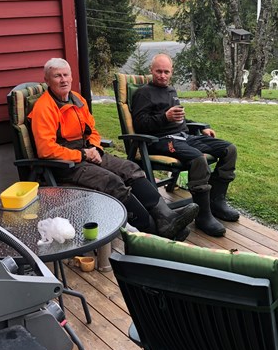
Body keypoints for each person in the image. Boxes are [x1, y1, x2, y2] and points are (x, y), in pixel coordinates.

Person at [28, 58, 198, 240]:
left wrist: (94, 147)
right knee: (112, 181)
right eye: (57, 76)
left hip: (88, 151)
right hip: (65, 164)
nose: (63, 80)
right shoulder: (44, 108)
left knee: (131, 169)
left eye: (66, 75)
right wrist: (83, 154)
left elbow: (91, 130)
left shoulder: (77, 100)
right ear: (47, 80)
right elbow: (46, 150)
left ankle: (167, 217)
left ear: (71, 77)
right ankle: (152, 231)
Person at [130, 54, 240, 237]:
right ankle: (203, 216)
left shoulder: (171, 91)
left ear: (171, 72)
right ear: (151, 71)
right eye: (159, 71)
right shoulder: (144, 93)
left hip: (185, 136)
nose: (162, 76)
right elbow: (140, 124)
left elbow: (179, 120)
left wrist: (202, 127)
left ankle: (216, 202)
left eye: (166, 72)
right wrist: (165, 117)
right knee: (198, 159)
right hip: (161, 141)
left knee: (229, 150)